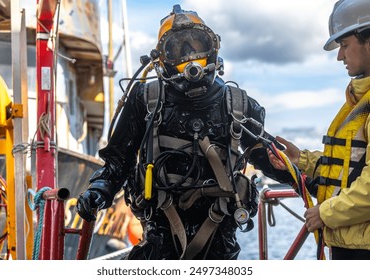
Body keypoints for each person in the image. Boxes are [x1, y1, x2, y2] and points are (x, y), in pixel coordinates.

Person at [76, 4, 278, 260]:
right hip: (159, 234)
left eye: (197, 46)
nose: (190, 57)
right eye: (179, 49)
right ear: (162, 59)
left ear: (213, 50)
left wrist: (308, 180)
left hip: (220, 233)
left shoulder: (237, 105)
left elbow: (268, 158)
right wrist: (100, 190)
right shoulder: (145, 100)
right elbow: (119, 162)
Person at [267, 0, 370, 260]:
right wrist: (300, 160)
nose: (339, 56)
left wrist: (325, 213)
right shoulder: (360, 101)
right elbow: (350, 166)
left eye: (345, 45)